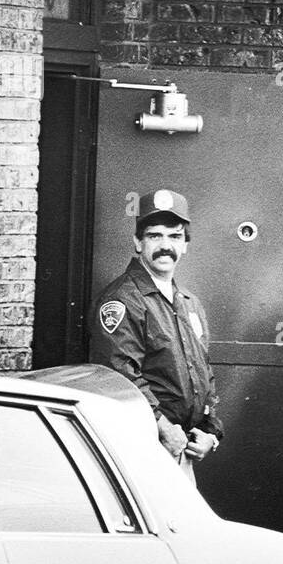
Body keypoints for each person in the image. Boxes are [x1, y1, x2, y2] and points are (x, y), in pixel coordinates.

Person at [89, 188, 223, 479]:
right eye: (154, 236)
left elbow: (203, 371)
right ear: (138, 242)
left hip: (180, 449)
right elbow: (120, 374)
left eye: (175, 236)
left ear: (185, 244)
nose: (166, 245)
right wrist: (163, 427)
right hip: (142, 446)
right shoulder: (123, 299)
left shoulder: (188, 302)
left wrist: (211, 431)